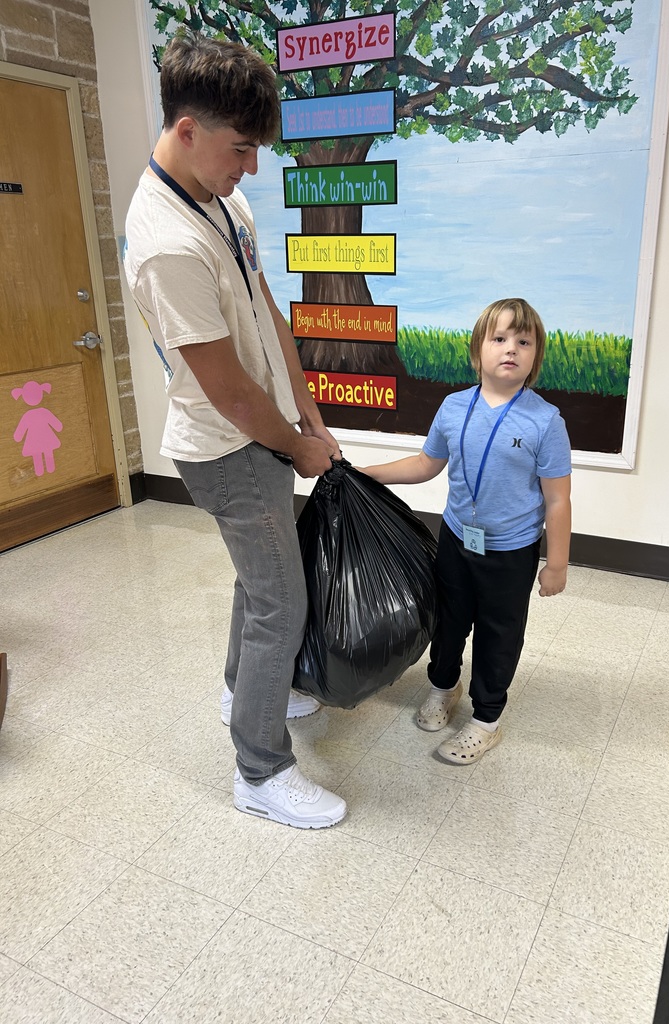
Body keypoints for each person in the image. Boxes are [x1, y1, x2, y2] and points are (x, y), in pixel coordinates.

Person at [124, 32, 347, 828]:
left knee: (262, 586)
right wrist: (297, 443)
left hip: (264, 429)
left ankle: (243, 690)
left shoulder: (223, 199)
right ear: (188, 130)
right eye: (241, 149)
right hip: (227, 448)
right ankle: (260, 772)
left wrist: (308, 408)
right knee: (281, 604)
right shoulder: (166, 244)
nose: (251, 167)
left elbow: (265, 309)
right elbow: (227, 391)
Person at [360, 298, 571, 763]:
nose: (511, 349)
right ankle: (443, 686)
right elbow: (425, 464)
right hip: (456, 540)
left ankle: (486, 719)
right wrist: (367, 474)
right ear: (478, 351)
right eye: (499, 338)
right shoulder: (454, 407)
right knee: (449, 620)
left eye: (524, 341)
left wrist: (557, 564)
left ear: (535, 356)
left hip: (511, 553)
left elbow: (557, 500)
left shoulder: (545, 421)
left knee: (499, 634)